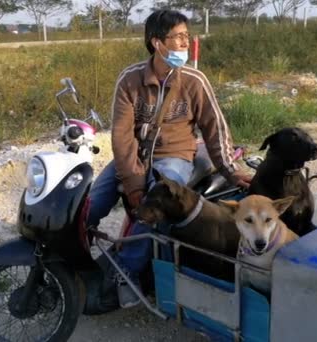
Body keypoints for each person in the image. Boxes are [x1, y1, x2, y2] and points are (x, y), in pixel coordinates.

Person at [86, 9, 252, 308]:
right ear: (157, 42)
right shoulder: (130, 80)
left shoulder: (194, 81)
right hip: (135, 155)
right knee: (93, 203)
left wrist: (231, 169)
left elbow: (215, 127)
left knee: (157, 205)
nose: (184, 43)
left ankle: (126, 271)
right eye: (177, 37)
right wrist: (133, 182)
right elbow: (122, 138)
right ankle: (75, 261)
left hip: (174, 156)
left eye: (187, 37)